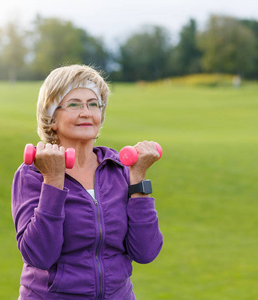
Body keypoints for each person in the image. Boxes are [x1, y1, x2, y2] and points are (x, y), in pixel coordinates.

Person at [11, 65, 163, 299]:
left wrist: (138, 177)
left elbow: (146, 251)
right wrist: (53, 180)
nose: (86, 112)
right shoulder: (33, 173)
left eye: (93, 104)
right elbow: (39, 255)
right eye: (74, 104)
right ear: (52, 118)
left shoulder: (119, 170)